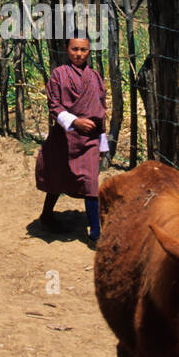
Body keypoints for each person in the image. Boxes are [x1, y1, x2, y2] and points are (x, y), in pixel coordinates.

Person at [35, 36, 108, 243]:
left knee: (90, 181)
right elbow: (54, 106)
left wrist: (102, 142)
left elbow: (100, 110)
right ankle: (46, 216)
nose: (79, 54)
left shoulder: (95, 77)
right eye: (75, 49)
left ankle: (95, 232)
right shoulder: (58, 75)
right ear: (66, 49)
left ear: (89, 52)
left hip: (89, 139)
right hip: (64, 137)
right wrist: (75, 122)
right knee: (57, 176)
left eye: (84, 50)